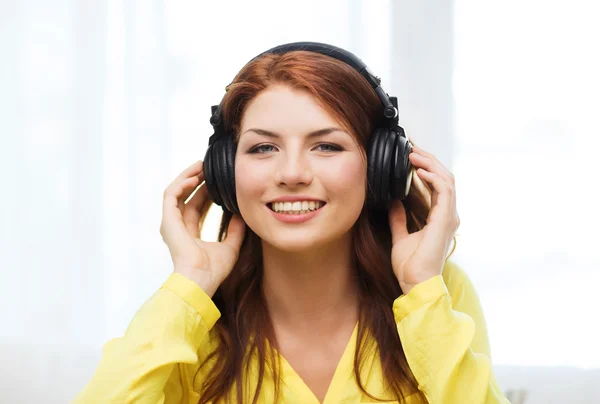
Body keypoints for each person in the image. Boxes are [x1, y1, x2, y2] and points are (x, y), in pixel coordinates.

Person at [73, 43, 509, 403]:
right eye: (263, 149)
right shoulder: (186, 316)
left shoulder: (438, 293)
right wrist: (188, 285)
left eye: (326, 146)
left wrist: (422, 292)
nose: (292, 173)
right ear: (224, 171)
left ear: (381, 167)